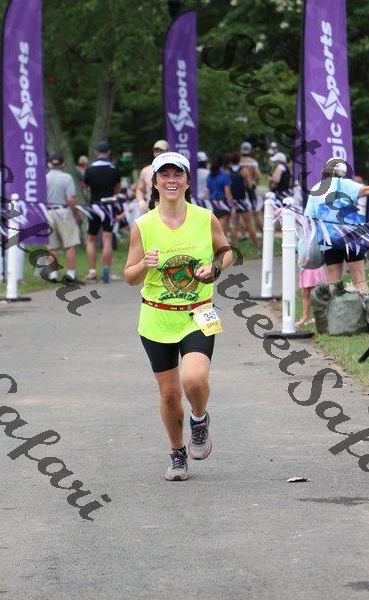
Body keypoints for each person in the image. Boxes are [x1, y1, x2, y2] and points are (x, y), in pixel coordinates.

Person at [124, 151, 233, 481]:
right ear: (155, 183)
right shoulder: (143, 225)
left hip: (198, 313)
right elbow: (129, 276)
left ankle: (199, 419)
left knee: (194, 379)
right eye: (164, 175)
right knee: (170, 394)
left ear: (187, 181)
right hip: (156, 318)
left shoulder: (205, 218)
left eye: (178, 174)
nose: (171, 180)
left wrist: (215, 269)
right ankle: (177, 451)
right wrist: (144, 264)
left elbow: (226, 252)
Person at [304, 159, 369, 292]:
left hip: (328, 240)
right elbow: (366, 191)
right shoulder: (343, 183)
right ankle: (366, 305)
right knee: (359, 279)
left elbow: (309, 217)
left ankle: (336, 305)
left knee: (334, 281)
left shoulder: (316, 188)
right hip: (350, 237)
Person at [83, 141, 121, 283]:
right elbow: (118, 188)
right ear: (109, 152)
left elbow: (86, 187)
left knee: (91, 239)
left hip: (94, 206)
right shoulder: (114, 169)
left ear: (95, 153)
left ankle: (92, 272)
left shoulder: (89, 169)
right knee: (107, 239)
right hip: (108, 206)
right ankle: (107, 271)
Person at [45, 153, 83, 285]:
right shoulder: (67, 177)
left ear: (50, 164)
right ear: (62, 164)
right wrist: (76, 212)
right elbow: (70, 199)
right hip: (63, 211)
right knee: (70, 244)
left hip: (48, 211)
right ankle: (70, 274)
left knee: (52, 245)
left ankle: (53, 274)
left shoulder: (44, 178)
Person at [229, 152, 259, 249]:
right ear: (239, 161)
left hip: (233, 201)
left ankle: (235, 246)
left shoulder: (227, 171)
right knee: (249, 223)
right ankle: (257, 244)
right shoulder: (244, 170)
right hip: (242, 200)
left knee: (234, 224)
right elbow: (249, 186)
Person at [136, 140, 169, 212]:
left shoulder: (174, 170)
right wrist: (141, 202)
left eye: (161, 151)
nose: (159, 153)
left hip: (171, 209)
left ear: (168, 152)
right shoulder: (146, 171)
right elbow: (139, 189)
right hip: (151, 209)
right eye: (156, 151)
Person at [206, 157, 233, 234]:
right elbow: (227, 192)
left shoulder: (209, 177)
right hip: (222, 202)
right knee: (223, 224)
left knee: (215, 224)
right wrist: (231, 204)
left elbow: (207, 191)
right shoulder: (224, 176)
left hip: (212, 202)